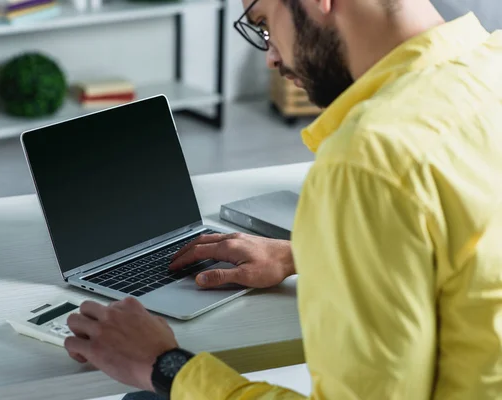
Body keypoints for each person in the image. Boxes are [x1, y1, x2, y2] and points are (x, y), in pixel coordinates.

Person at [64, 0, 502, 398]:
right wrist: (311, 255)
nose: (272, 57)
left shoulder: (368, 159)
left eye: (264, 25)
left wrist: (165, 366)